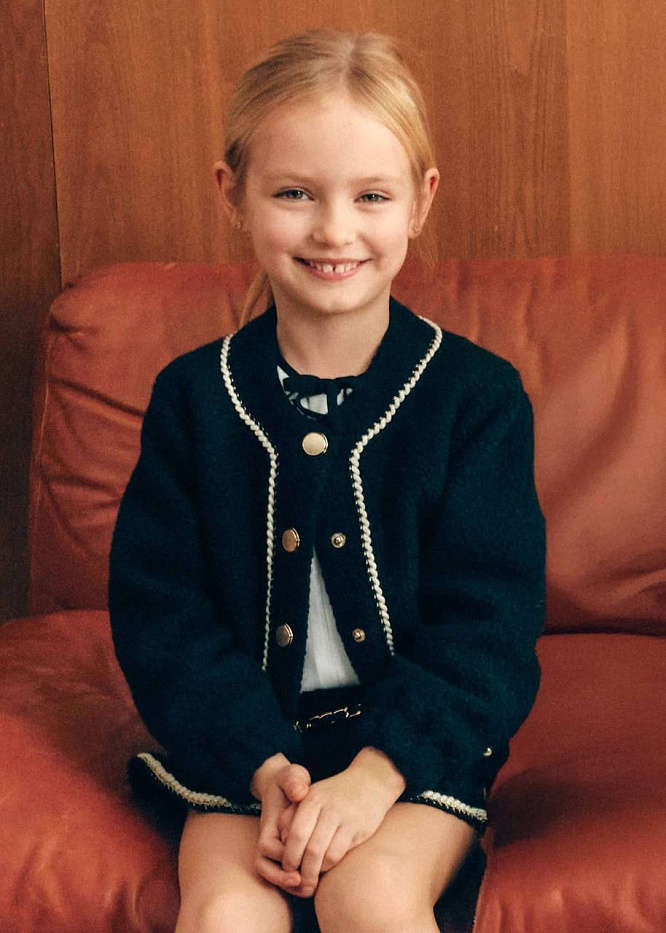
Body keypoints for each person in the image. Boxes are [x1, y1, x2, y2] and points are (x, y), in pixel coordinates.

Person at [108, 28, 546, 933]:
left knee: (369, 895)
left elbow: (489, 629)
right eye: (295, 193)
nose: (334, 229)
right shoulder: (193, 398)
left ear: (421, 201)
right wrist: (266, 765)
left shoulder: (476, 398)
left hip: (411, 759)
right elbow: (163, 620)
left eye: (371, 195)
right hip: (246, 760)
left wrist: (376, 776)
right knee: (226, 913)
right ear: (233, 194)